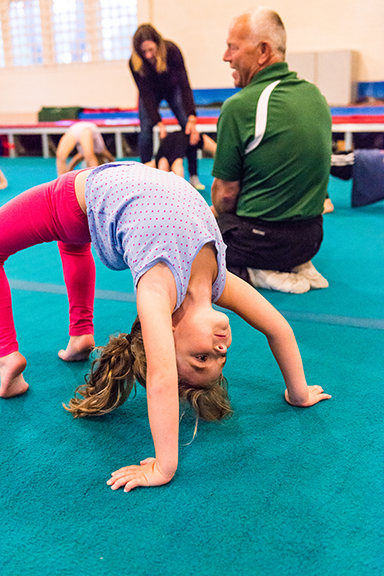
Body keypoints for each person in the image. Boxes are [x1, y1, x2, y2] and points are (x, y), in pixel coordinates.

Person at [0, 161, 331, 492]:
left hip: (76, 197)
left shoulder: (157, 289)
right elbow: (278, 328)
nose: (220, 350)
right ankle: (81, 335)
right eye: (221, 358)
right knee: (73, 242)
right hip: (103, 199)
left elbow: (161, 377)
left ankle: (5, 356)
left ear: (168, 334)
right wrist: (298, 393)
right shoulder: (218, 282)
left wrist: (164, 465)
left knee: (59, 237)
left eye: (201, 358)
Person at [211, 8, 332, 294]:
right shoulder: (316, 96)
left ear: (263, 51)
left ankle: (256, 271)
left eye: (233, 47)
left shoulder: (240, 106)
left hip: (262, 243)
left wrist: (214, 218)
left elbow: (226, 195)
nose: (226, 56)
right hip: (312, 237)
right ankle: (296, 263)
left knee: (192, 234)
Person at [129, 24, 204, 189]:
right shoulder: (134, 63)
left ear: (158, 43)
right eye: (144, 52)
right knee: (145, 130)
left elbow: (184, 84)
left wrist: (191, 115)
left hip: (173, 89)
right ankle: (144, 175)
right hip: (150, 94)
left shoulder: (172, 51)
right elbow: (146, 95)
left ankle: (193, 175)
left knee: (188, 127)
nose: (148, 55)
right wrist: (159, 122)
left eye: (151, 49)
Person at [149, 130, 216, 178]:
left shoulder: (162, 163)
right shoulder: (174, 164)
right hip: (183, 137)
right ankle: (193, 177)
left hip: (184, 136)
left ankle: (193, 176)